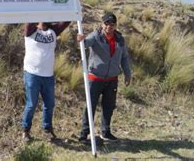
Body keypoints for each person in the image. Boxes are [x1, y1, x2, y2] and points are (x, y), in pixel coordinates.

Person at [76, 12, 132, 142]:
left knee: (109, 107)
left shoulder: (120, 39)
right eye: (106, 23)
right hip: (95, 78)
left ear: (115, 25)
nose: (109, 26)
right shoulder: (95, 36)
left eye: (112, 24)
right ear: (102, 24)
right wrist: (81, 40)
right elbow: (85, 44)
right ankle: (84, 133)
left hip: (112, 80)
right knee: (90, 106)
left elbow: (124, 57)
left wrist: (127, 73)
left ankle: (105, 132)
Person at [21, 21, 70, 142]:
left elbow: (66, 20)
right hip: (32, 74)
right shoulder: (31, 30)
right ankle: (25, 131)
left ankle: (47, 129)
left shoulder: (53, 31)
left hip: (48, 75)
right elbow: (30, 16)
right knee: (31, 104)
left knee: (49, 104)